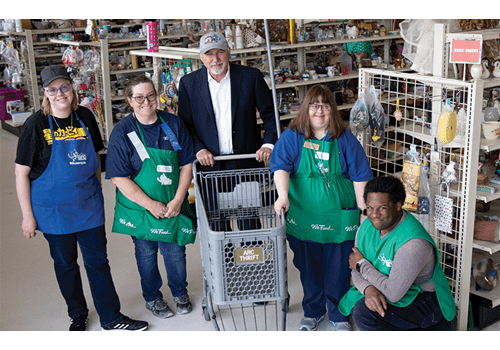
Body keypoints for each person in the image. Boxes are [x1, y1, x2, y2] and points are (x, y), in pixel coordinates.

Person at [14, 65, 148, 331]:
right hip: (52, 210)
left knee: (98, 261)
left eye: (64, 87)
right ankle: (77, 314)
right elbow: (21, 173)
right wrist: (27, 216)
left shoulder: (85, 116)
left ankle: (111, 317)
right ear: (45, 93)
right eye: (53, 90)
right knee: (65, 264)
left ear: (71, 87)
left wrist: (97, 188)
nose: (60, 94)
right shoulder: (35, 124)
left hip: (87, 204)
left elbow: (97, 156)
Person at [271, 84, 373, 331]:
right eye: (314, 105)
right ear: (306, 108)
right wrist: (282, 196)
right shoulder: (292, 136)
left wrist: (363, 211)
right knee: (308, 267)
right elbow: (280, 167)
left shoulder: (344, 139)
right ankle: (313, 310)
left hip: (339, 218)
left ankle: (339, 314)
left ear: (332, 110)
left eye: (325, 105)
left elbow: (360, 175)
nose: (319, 111)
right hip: (303, 216)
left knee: (338, 267)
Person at [106, 75, 196, 319]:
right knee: (145, 252)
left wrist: (178, 200)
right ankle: (153, 298)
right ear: (129, 100)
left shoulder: (173, 125)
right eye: (138, 97)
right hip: (140, 207)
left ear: (157, 97)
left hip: (172, 203)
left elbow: (187, 164)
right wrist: (150, 204)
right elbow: (118, 177)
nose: (145, 102)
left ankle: (179, 292)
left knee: (175, 251)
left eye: (150, 96)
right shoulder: (122, 132)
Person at [177, 31, 277, 231]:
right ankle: (225, 262)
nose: (215, 59)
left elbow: (270, 114)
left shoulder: (250, 77)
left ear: (229, 52)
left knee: (249, 220)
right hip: (210, 166)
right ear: (201, 57)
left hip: (246, 161)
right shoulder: (189, 84)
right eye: (209, 54)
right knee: (217, 223)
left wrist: (268, 144)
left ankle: (252, 261)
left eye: (220, 52)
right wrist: (199, 150)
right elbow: (185, 125)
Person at [338, 176, 456, 331]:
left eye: (382, 208)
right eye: (370, 207)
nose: (374, 214)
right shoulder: (365, 227)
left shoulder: (413, 244)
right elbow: (355, 267)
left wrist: (362, 265)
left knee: (365, 312)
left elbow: (392, 293)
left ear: (398, 205)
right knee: (365, 302)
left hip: (426, 302)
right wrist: (368, 289)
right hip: (391, 289)